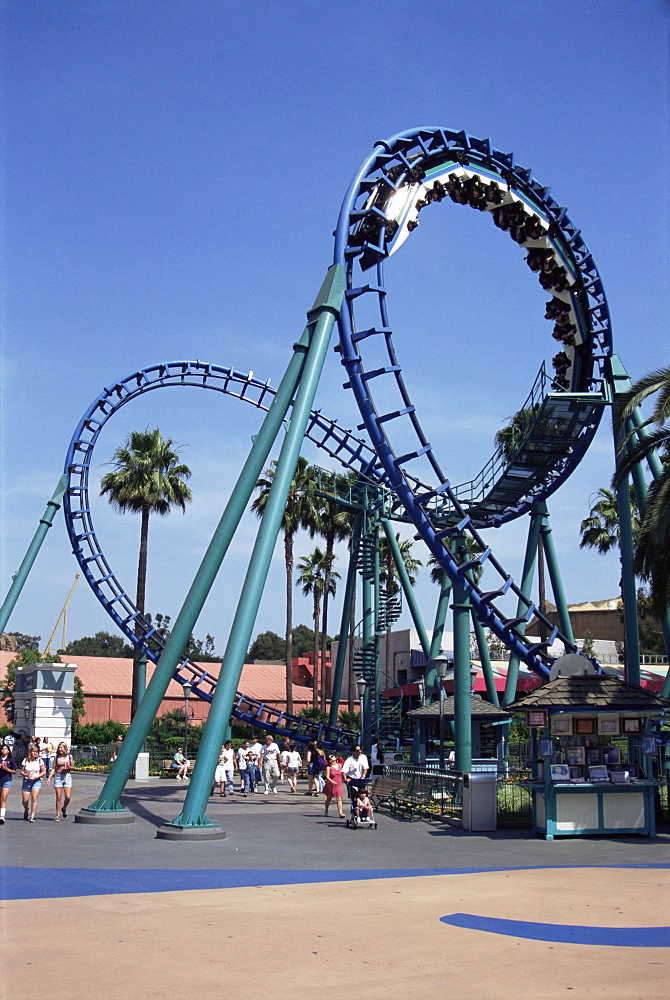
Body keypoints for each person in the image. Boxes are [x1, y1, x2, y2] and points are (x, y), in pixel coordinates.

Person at [48, 742, 74, 820]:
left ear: (65, 748)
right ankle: (58, 815)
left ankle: (64, 808)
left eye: (61, 748)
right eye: (59, 748)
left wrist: (69, 766)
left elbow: (73, 767)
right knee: (58, 797)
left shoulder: (69, 756)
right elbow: (53, 768)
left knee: (68, 797)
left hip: (67, 776)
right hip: (58, 776)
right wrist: (49, 777)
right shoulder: (57, 757)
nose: (60, 749)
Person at [20, 744, 46, 822]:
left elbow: (43, 771)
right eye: (34, 751)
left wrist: (37, 776)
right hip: (27, 780)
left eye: (37, 752)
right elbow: (21, 771)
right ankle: (26, 809)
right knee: (25, 800)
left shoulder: (40, 760)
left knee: (34, 798)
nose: (35, 753)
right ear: (30, 752)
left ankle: (32, 815)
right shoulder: (25, 760)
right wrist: (26, 774)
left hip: (36, 780)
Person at [0, 743, 18, 824]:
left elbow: (14, 771)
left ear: (8, 751)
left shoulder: (11, 759)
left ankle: (2, 816)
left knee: (3, 798)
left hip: (7, 779)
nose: (4, 750)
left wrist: (6, 769)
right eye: (2, 749)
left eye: (5, 749)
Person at [323, 754, 345, 818]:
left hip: (338, 783)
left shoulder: (339, 765)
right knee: (329, 798)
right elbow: (327, 776)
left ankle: (340, 813)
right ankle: (326, 810)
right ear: (329, 760)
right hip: (331, 784)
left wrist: (344, 779)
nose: (333, 757)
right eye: (331, 757)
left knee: (339, 798)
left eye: (333, 756)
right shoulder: (329, 767)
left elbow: (343, 773)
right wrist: (332, 781)